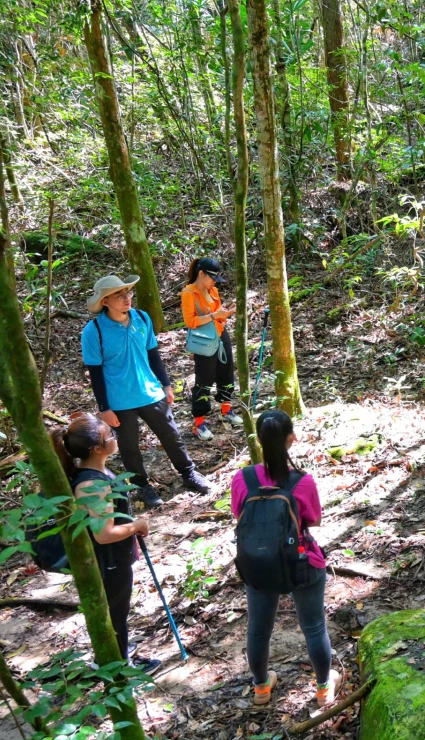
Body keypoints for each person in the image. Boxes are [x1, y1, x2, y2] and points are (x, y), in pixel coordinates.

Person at [231, 410, 339, 707]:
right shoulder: (302, 482)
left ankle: (262, 689)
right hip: (301, 563)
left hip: (257, 563)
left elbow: (239, 515)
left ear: (261, 441)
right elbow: (313, 520)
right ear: (291, 438)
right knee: (314, 627)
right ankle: (322, 690)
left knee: (258, 630)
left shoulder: (243, 478)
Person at [81, 275, 211, 508]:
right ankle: (142, 486)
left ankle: (189, 473)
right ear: (105, 301)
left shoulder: (141, 318)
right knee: (129, 447)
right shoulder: (94, 331)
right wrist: (104, 408)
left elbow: (153, 354)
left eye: (128, 293)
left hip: (151, 391)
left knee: (171, 435)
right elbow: (95, 371)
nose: (126, 298)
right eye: (119, 295)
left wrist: (166, 384)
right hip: (119, 400)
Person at [50, 414, 161, 673]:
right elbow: (103, 533)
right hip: (106, 561)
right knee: (115, 611)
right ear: (97, 448)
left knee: (118, 609)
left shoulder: (97, 470)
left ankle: (116, 654)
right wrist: (137, 525)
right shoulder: (91, 484)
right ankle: (118, 665)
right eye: (109, 435)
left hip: (113, 557)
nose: (114, 438)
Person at [181, 257, 237, 441]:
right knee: (204, 379)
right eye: (212, 277)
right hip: (203, 341)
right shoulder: (189, 293)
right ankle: (199, 422)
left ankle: (226, 409)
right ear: (201, 273)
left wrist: (224, 313)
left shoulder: (213, 290)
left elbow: (219, 315)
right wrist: (214, 315)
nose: (214, 281)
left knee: (226, 370)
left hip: (220, 334)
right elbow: (190, 322)